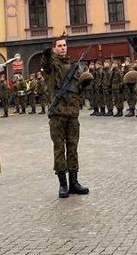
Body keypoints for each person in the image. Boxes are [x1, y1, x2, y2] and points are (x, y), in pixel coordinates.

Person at [41, 38, 93, 198]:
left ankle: (74, 182)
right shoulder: (52, 65)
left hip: (72, 113)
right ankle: (63, 184)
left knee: (73, 148)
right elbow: (47, 64)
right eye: (59, 46)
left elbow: (78, 88)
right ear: (54, 48)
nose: (63, 48)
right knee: (59, 149)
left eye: (64, 45)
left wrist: (84, 83)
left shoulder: (73, 66)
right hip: (57, 114)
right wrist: (47, 54)